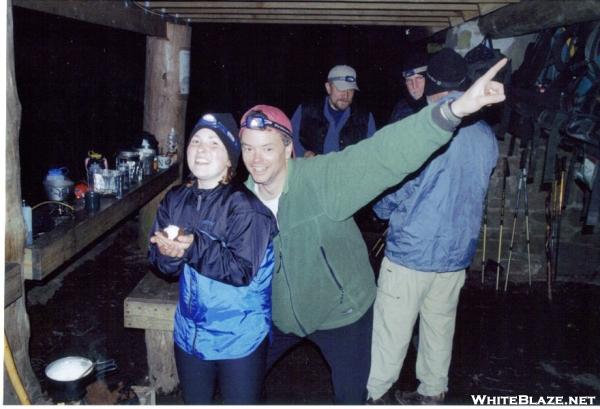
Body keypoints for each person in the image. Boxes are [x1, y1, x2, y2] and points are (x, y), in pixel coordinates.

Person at [238, 59, 507, 404]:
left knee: (373, 370)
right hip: (281, 314)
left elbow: (381, 156)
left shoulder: (329, 164)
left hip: (351, 303)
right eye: (248, 148)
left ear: (287, 148)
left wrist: (452, 112)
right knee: (240, 382)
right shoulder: (241, 201)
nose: (257, 159)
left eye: (267, 147)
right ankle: (431, 392)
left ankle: (380, 394)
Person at [366, 48, 500, 405]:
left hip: (412, 253)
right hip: (456, 255)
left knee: (391, 333)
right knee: (439, 329)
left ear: (431, 84)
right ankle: (432, 394)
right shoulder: (486, 135)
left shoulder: (426, 127)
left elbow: (396, 190)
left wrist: (379, 208)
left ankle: (377, 395)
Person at [147, 113, 278, 404]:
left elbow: (241, 271)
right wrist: (168, 254)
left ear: (230, 158)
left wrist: (192, 247)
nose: (201, 149)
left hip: (239, 336)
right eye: (196, 141)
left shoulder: (247, 209)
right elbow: (160, 263)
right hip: (189, 334)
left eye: (213, 143)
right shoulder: (175, 199)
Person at [291, 64, 377, 158]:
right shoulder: (306, 110)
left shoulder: (365, 118)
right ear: (328, 87)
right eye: (341, 89)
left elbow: (371, 152)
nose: (346, 95)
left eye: (351, 90)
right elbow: (290, 138)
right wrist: (303, 153)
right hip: (311, 170)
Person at [389, 49, 429, 123]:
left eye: (419, 78)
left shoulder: (439, 105)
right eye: (409, 80)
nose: (414, 86)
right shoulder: (400, 109)